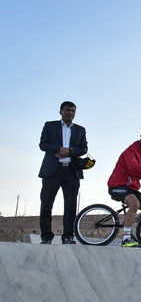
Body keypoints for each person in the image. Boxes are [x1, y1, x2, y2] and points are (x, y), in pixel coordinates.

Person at [38, 101, 88, 244]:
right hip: (52, 171)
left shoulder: (80, 130)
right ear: (60, 111)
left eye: (73, 111)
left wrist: (69, 151)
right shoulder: (50, 125)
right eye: (67, 110)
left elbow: (83, 149)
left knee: (71, 206)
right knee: (46, 204)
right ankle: (46, 237)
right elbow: (43, 144)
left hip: (71, 172)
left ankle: (68, 236)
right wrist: (58, 149)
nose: (70, 113)